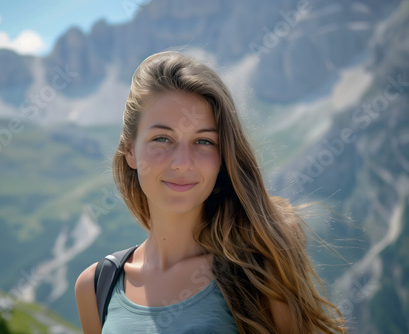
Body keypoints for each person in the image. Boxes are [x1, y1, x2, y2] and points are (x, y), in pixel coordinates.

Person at [75, 51, 346, 333]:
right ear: (130, 150)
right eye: (162, 138)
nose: (182, 163)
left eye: (203, 141)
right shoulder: (96, 286)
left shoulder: (260, 272)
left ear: (223, 156)